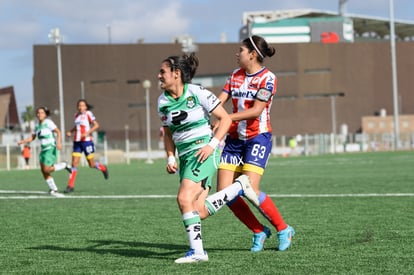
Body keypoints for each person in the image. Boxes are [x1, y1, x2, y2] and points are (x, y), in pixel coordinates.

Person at [157, 53, 259, 264]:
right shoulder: (162, 101)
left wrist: (211, 145)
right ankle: (238, 187)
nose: (159, 76)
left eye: (162, 72)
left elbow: (225, 118)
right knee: (199, 211)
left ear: (176, 74)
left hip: (204, 153)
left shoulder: (197, 92)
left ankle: (198, 252)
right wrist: (170, 156)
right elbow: (167, 133)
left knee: (184, 199)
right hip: (185, 158)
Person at [217, 35, 295, 252]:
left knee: (248, 190)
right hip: (234, 141)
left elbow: (256, 110)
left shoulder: (268, 78)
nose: (236, 53)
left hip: (257, 138)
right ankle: (259, 231)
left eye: (240, 50)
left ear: (252, 54)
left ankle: (283, 228)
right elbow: (219, 101)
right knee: (224, 193)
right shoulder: (234, 75)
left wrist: (226, 119)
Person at [17, 106, 70, 197]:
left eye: (41, 112)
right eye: (38, 112)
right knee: (44, 171)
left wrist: (59, 142)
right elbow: (32, 138)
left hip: (50, 148)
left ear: (45, 114)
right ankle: (53, 189)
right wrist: (23, 141)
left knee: (47, 169)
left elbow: (58, 132)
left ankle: (64, 165)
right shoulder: (37, 126)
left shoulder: (48, 122)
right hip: (43, 150)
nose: (39, 114)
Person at [64, 99, 108, 193]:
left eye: (82, 105)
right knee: (74, 163)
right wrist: (70, 131)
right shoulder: (76, 115)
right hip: (77, 142)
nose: (80, 107)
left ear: (86, 107)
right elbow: (77, 127)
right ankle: (70, 186)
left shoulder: (88, 114)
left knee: (91, 164)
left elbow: (96, 125)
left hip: (87, 142)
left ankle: (103, 168)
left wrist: (87, 133)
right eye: (79, 105)